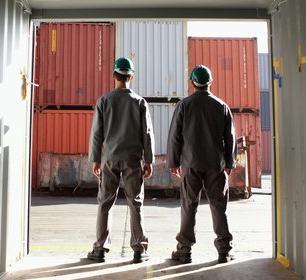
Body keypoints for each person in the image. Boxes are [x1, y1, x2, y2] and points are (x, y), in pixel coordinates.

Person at [87, 57, 155, 264]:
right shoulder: (139, 102)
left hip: (109, 158)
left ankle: (100, 249)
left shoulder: (104, 101)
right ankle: (139, 250)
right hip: (133, 159)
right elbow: (147, 133)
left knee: (105, 203)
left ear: (114, 75)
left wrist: (95, 159)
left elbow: (96, 133)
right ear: (131, 76)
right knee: (135, 203)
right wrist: (149, 160)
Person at [167, 64, 236, 264]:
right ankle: (224, 250)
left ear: (192, 83)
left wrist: (173, 161)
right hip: (216, 164)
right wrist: (229, 161)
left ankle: (185, 250)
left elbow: (174, 137)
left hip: (191, 163)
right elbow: (229, 137)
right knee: (218, 205)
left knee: (189, 205)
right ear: (210, 83)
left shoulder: (184, 105)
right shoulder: (221, 106)